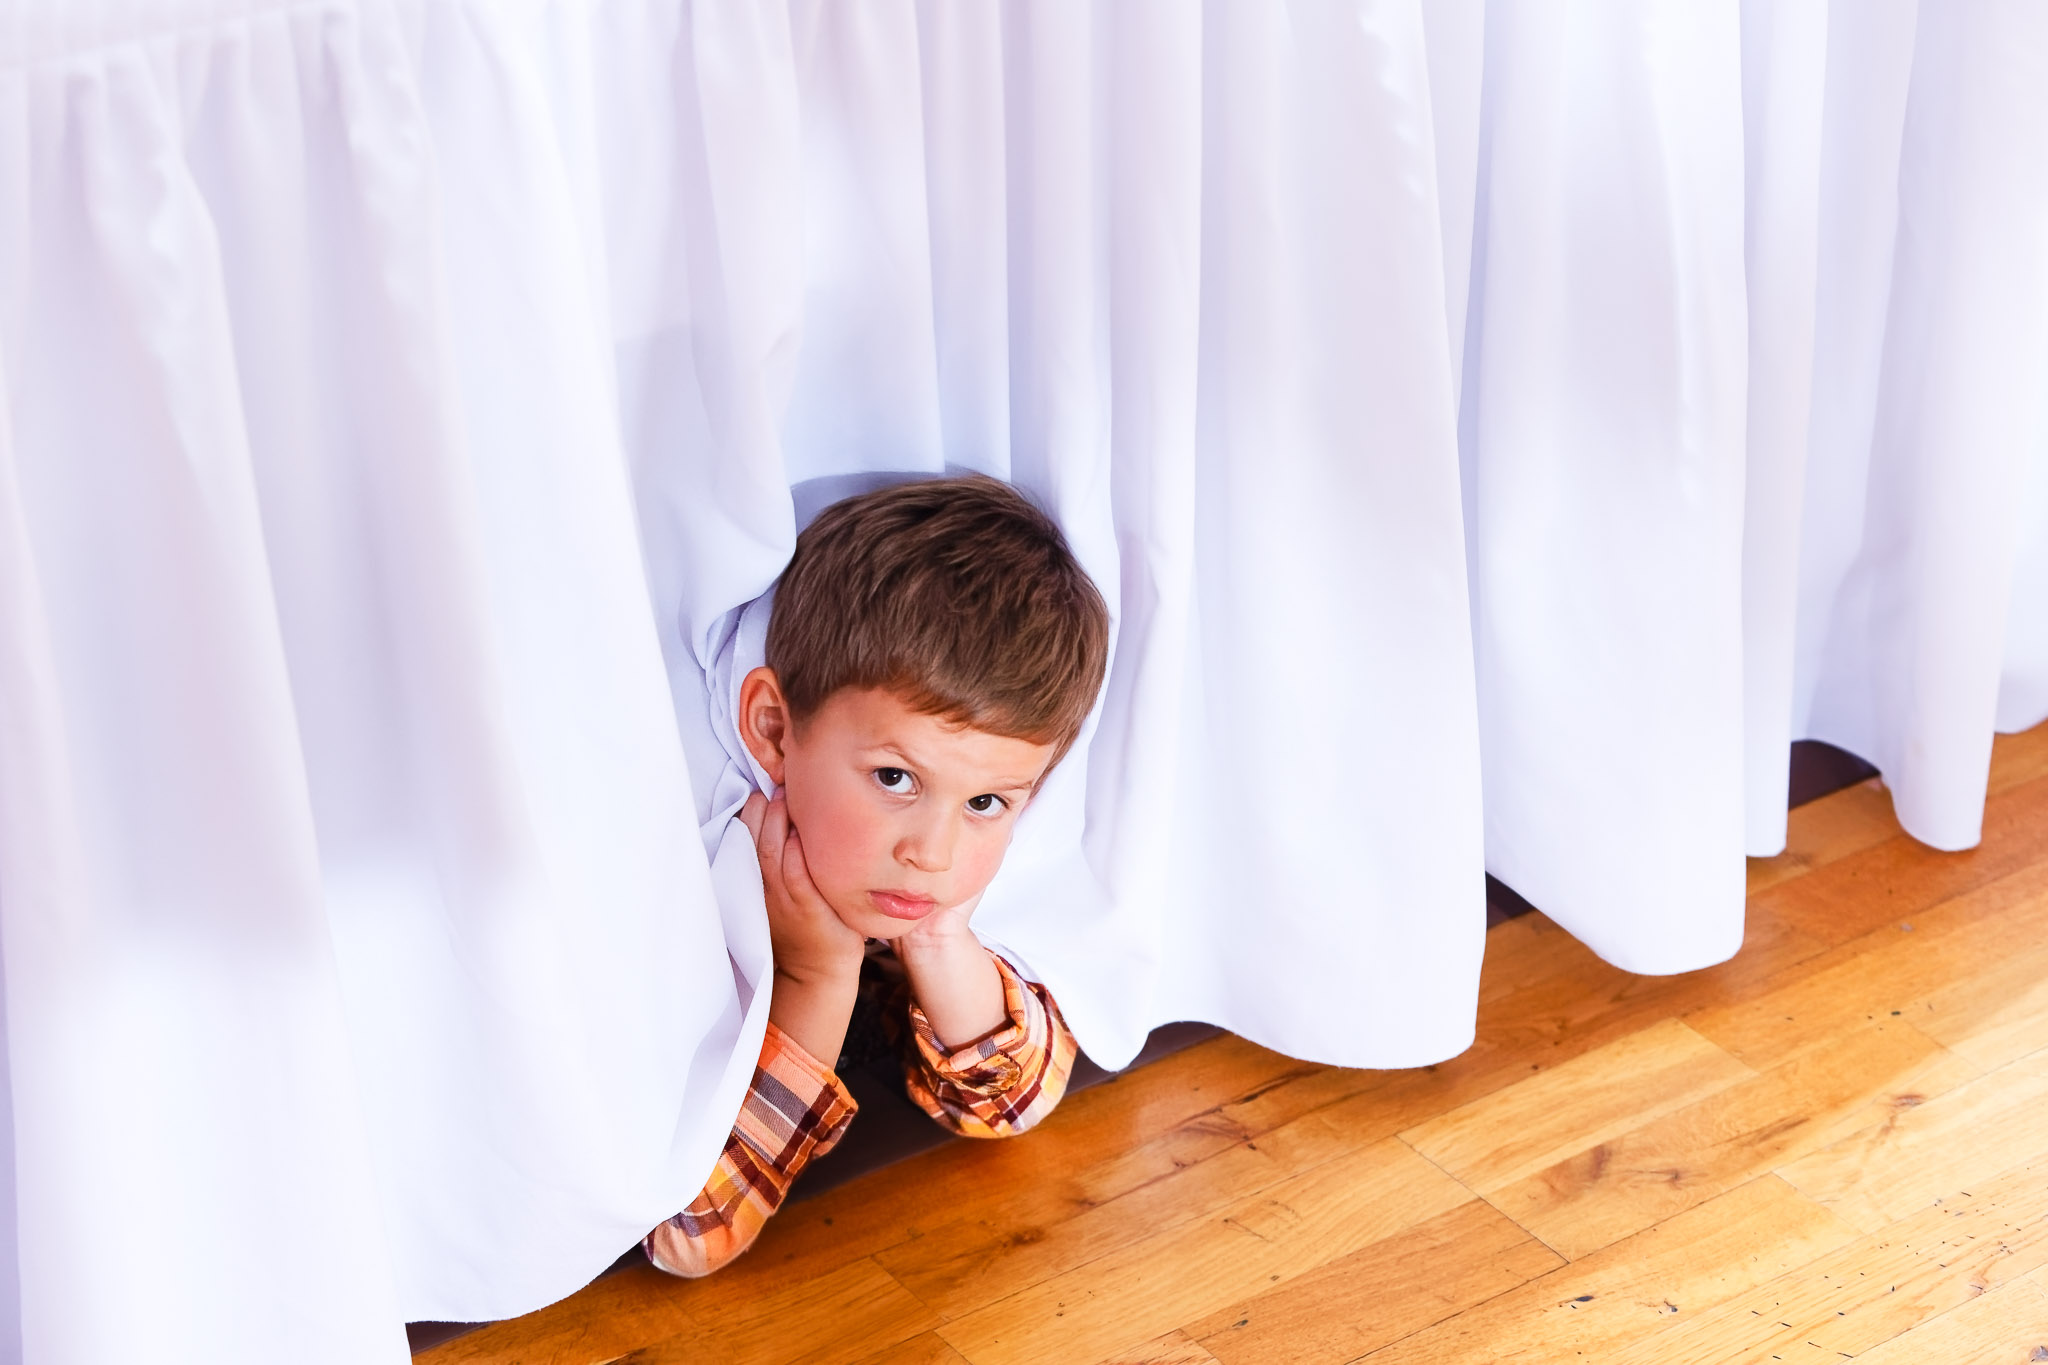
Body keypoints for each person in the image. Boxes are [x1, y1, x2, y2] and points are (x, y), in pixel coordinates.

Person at [644, 475, 1111, 1277]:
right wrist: (815, 975)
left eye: (988, 801)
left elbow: (1013, 1101)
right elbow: (690, 1235)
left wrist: (937, 935)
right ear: (771, 728)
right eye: (896, 778)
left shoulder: (930, 881)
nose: (932, 852)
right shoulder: (713, 868)